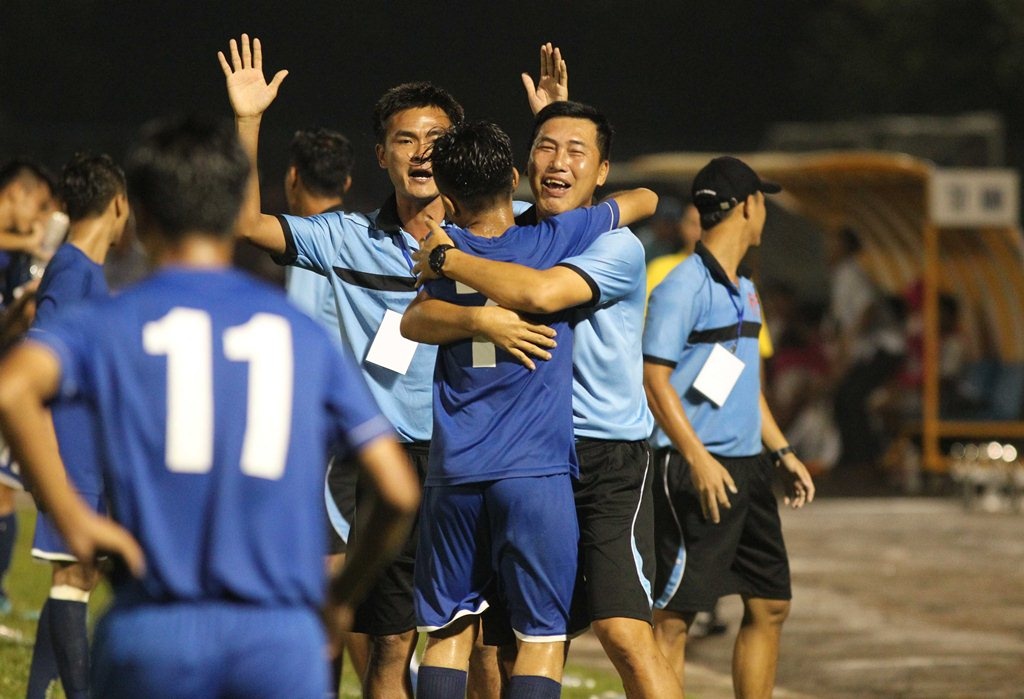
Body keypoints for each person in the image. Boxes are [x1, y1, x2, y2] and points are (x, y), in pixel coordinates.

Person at [0, 114, 420, 699]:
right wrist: (339, 596)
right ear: (232, 211)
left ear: (140, 214)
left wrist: (73, 519)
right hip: (279, 634)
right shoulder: (298, 332)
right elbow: (398, 490)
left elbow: (12, 389)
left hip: (156, 625)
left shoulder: (115, 320)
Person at [218, 35, 563, 698]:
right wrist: (247, 120)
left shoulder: (508, 227)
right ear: (381, 155)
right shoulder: (346, 236)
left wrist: (552, 122)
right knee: (391, 644)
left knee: (491, 648)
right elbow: (243, 224)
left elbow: (576, 211)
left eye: (437, 138)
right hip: (393, 461)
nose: (422, 151)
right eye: (405, 139)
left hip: (487, 453)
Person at [403, 100, 681, 697]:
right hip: (535, 462)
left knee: (621, 632)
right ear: (519, 171)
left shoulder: (609, 244)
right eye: (545, 148)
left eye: (576, 152)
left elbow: (539, 293)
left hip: (597, 456)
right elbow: (419, 317)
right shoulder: (542, 233)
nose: (557, 162)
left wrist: (449, 259)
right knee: (519, 640)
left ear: (602, 169)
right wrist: (480, 317)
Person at [642, 156, 815, 698]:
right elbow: (653, 379)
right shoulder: (682, 286)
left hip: (748, 468)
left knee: (770, 603)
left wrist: (782, 452)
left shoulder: (745, 288)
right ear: (747, 206)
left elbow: (743, 384)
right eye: (762, 201)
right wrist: (697, 458)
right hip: (695, 468)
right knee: (674, 619)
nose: (764, 212)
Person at [23, 153, 129, 699]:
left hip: (87, 449)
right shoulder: (73, 268)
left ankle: (36, 690)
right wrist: (41, 457)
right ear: (119, 205)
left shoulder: (84, 271)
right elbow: (37, 359)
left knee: (79, 572)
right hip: (69, 450)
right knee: (73, 574)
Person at [278, 126, 370, 693]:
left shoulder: (313, 244)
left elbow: (301, 344)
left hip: (327, 435)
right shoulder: (363, 235)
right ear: (349, 180)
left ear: (292, 178)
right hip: (376, 424)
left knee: (330, 578)